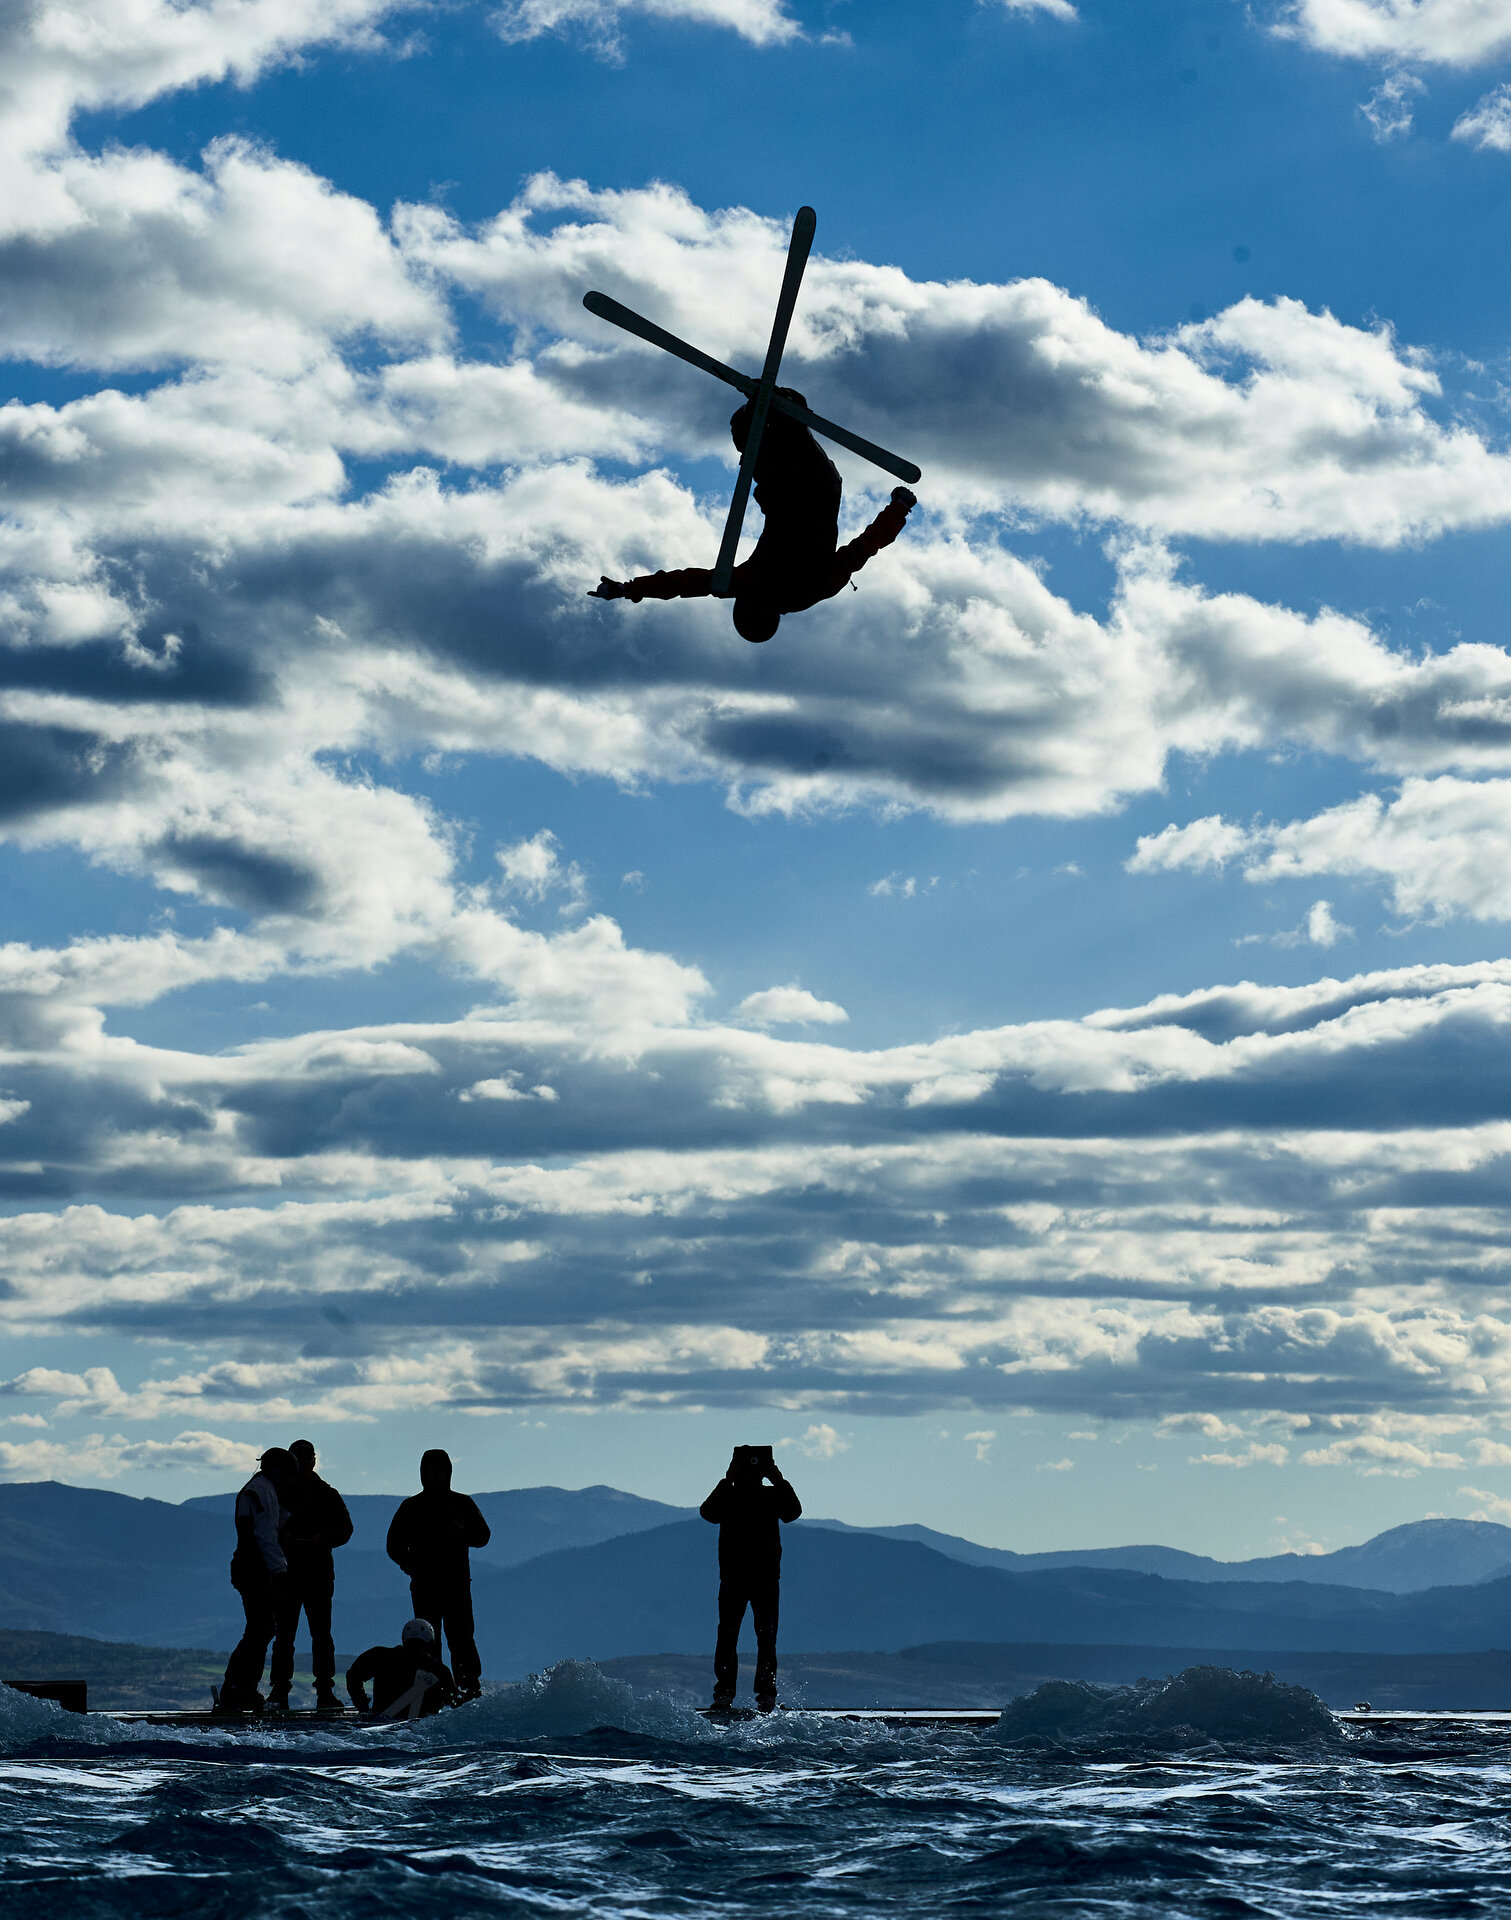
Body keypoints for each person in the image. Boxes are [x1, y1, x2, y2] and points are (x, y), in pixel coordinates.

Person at [591, 392, 917, 643]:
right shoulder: (762, 585)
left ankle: (780, 407)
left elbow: (864, 548)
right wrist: (627, 589)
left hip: (814, 485)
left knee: (751, 431)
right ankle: (783, 407)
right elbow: (683, 583)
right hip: (800, 484)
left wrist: (898, 509)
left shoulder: (797, 589)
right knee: (756, 430)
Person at [699, 1445, 802, 1713]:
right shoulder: (732, 1496)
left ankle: (751, 1695)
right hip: (746, 1578)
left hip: (755, 1578)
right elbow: (708, 1513)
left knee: (753, 1637)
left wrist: (776, 1479)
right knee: (743, 1636)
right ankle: (743, 1694)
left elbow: (792, 1513)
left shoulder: (768, 1496)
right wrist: (729, 1480)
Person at [385, 1450, 490, 1698]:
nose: (434, 1474)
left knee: (462, 1639)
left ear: (448, 1472)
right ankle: (431, 1692)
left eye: (438, 1468)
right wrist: (411, 1566)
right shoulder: (411, 1506)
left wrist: (462, 1533)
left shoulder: (462, 1504)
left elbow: (483, 1536)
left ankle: (468, 1689)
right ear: (422, 1473)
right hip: (425, 1585)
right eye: (430, 1469)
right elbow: (393, 1546)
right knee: (426, 1642)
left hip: (456, 1585)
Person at [268, 1438, 353, 1711]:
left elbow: (345, 1530)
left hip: (311, 1574)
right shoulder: (285, 1493)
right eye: (300, 1459)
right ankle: (283, 1691)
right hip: (292, 1573)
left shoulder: (323, 1493)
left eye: (307, 1458)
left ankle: (319, 1691)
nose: (305, 1463)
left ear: (313, 1460)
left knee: (317, 1635)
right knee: (288, 1636)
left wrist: (321, 1537)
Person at [215, 1447, 298, 1712]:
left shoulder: (255, 1490)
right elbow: (266, 1537)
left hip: (247, 1565)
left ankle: (238, 1687)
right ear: (278, 1471)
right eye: (287, 1474)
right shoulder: (263, 1492)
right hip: (255, 1567)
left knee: (259, 1627)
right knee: (262, 1627)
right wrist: (281, 1571)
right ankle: (240, 1687)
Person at [347, 1617, 459, 1719]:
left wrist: (363, 1707)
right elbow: (452, 1701)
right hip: (417, 1727)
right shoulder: (440, 1670)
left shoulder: (380, 1655)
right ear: (431, 1641)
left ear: (404, 1638)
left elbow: (353, 1676)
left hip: (380, 1720)